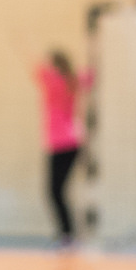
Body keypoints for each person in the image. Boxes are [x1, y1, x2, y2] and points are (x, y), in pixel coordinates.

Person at [35, 48, 89, 246]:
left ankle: (68, 234)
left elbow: (38, 70)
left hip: (60, 143)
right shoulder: (73, 80)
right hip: (73, 142)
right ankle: (67, 233)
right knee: (58, 191)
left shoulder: (54, 81)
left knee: (54, 191)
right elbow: (89, 77)